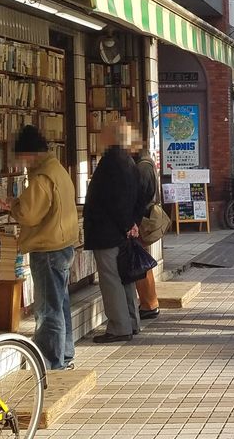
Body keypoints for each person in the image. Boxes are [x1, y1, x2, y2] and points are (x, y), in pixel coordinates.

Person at [9, 125, 79, 370]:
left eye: (22, 157)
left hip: (48, 248)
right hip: (63, 245)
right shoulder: (58, 170)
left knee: (48, 309)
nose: (22, 163)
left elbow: (29, 215)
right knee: (60, 304)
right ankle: (65, 354)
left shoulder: (41, 178)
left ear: (30, 153)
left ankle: (50, 361)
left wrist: (14, 204)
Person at [83, 121, 140, 343]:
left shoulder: (111, 162)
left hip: (107, 232)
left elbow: (113, 200)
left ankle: (119, 327)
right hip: (121, 230)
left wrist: (126, 224)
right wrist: (131, 223)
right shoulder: (128, 160)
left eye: (103, 134)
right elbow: (133, 196)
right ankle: (131, 322)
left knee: (111, 280)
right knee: (125, 278)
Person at [133, 134, 161, 321]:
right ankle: (149, 303)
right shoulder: (147, 163)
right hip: (144, 218)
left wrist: (133, 221)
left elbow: (139, 197)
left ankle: (149, 304)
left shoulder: (142, 167)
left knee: (141, 263)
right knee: (142, 262)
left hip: (141, 220)